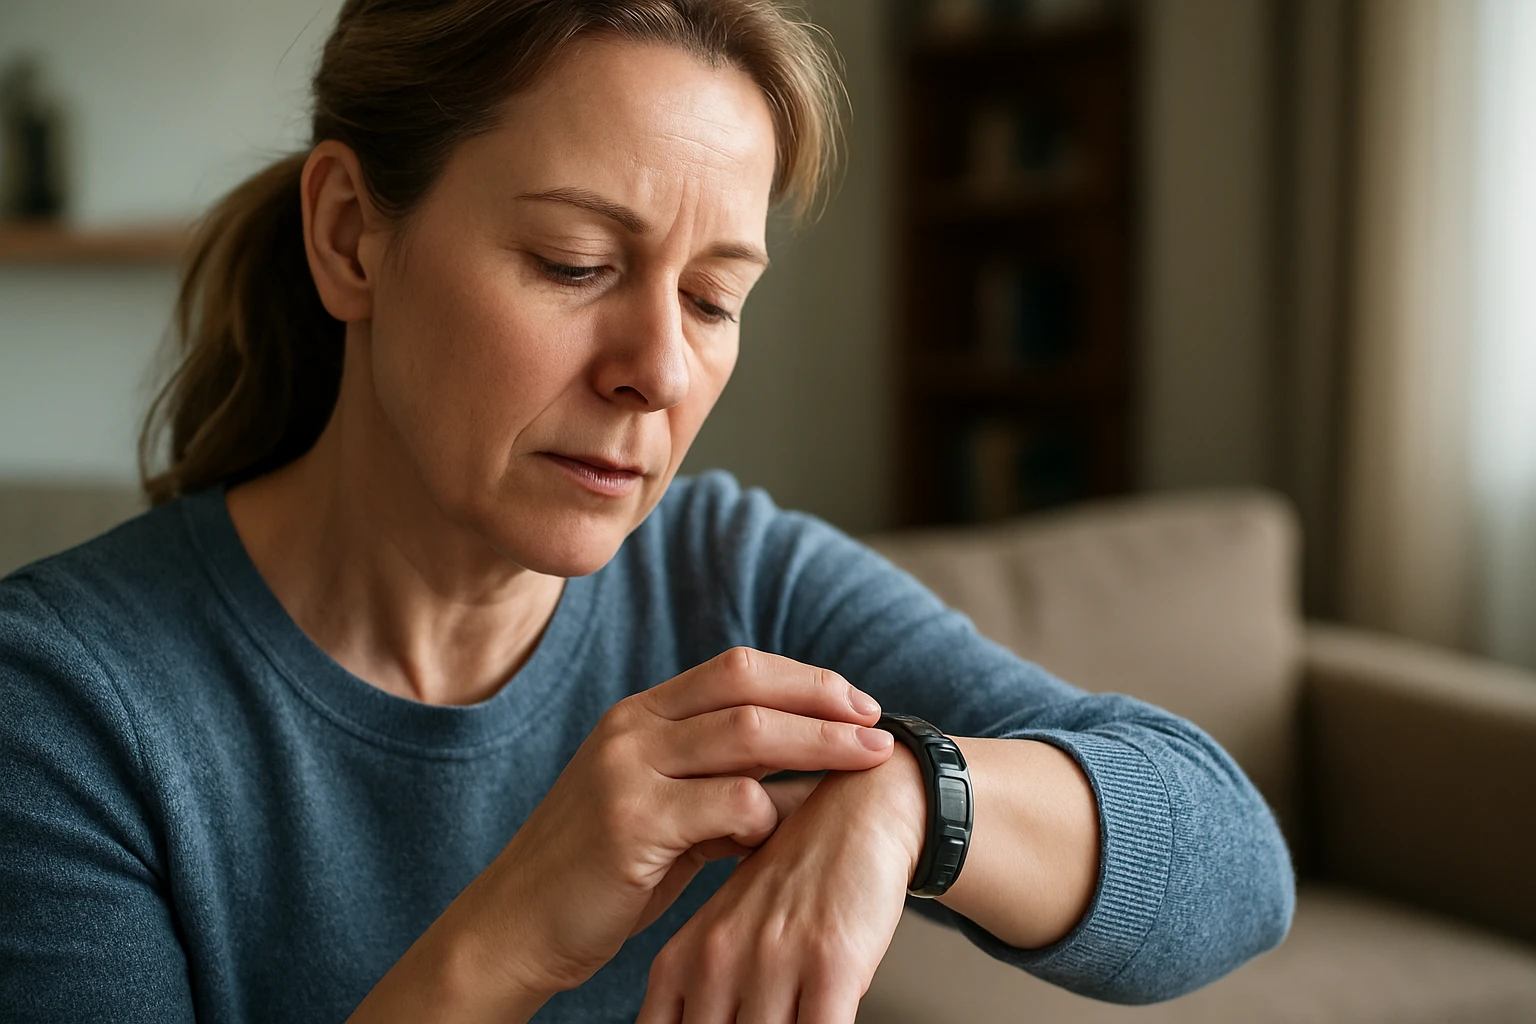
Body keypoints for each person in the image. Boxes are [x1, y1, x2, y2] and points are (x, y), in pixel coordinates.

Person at [0, 2, 1295, 1021]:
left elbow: (1234, 866)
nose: (660, 371)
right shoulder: (59, 706)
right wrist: (505, 943)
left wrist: (913, 794)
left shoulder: (733, 580)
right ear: (349, 236)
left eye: (714, 298)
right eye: (577, 263)